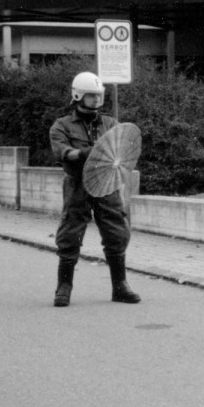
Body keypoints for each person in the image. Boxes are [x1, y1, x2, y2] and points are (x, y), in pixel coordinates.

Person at [49, 71, 140, 307]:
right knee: (70, 234)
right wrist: (82, 153)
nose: (97, 100)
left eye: (99, 96)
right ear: (78, 95)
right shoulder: (62, 126)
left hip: (106, 185)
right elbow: (62, 153)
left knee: (117, 233)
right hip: (77, 185)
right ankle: (64, 287)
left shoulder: (110, 123)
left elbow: (123, 147)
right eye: (92, 96)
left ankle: (120, 286)